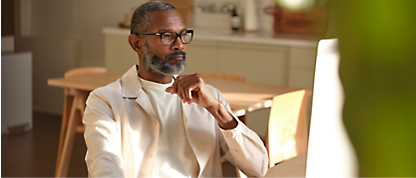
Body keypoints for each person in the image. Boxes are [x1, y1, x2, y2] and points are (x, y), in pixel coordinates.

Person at [83, 1, 268, 178]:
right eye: (166, 36)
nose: (179, 44)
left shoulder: (210, 98)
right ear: (137, 44)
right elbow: (104, 164)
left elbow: (258, 167)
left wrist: (217, 109)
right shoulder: (104, 100)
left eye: (183, 34)